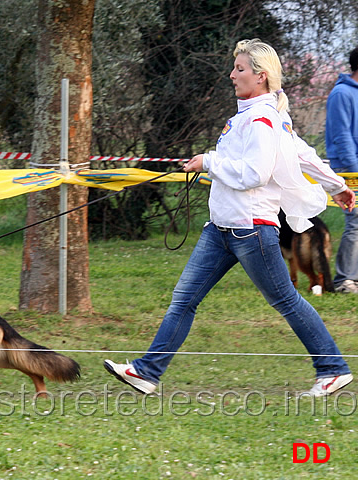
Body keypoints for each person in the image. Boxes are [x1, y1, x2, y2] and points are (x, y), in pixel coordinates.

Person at [104, 39, 355, 397]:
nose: (232, 74)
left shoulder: (263, 120)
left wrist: (208, 161)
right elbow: (305, 155)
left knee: (286, 300)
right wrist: (338, 186)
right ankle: (146, 372)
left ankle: (332, 368)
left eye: (240, 69)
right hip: (221, 228)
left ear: (261, 76)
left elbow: (255, 173)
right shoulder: (259, 117)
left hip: (250, 229)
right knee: (184, 299)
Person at [325, 46, 358, 293]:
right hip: (350, 169)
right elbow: (342, 136)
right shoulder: (342, 94)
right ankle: (344, 280)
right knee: (356, 222)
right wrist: (354, 170)